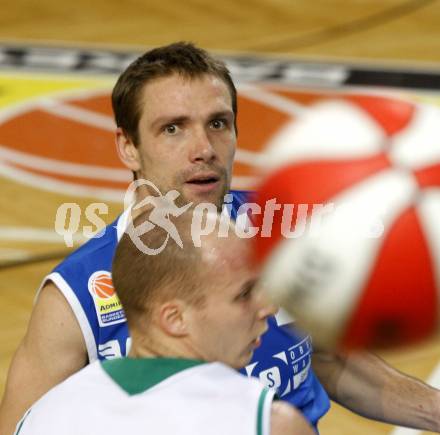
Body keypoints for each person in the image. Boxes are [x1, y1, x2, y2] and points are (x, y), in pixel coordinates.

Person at [1, 42, 440, 435]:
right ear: (128, 146)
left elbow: (331, 362)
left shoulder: (283, 233)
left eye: (217, 123)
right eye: (173, 128)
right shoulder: (76, 296)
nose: (204, 148)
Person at [13, 211, 315, 435]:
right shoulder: (264, 422)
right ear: (175, 319)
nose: (268, 307)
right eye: (244, 294)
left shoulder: (43, 415)